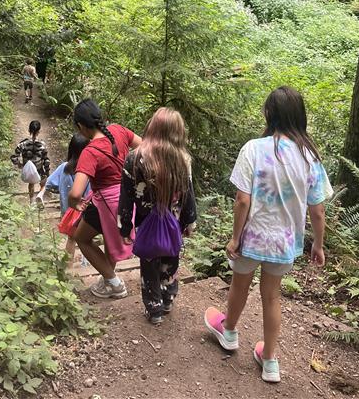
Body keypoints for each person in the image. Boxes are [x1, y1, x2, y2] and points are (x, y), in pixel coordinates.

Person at [204, 86, 332, 384]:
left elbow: (242, 201)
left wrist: (235, 238)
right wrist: (319, 245)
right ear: (300, 117)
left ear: (269, 114)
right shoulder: (310, 158)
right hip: (284, 243)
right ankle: (270, 360)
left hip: (252, 238)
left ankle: (230, 333)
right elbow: (318, 211)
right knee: (272, 296)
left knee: (239, 286)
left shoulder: (253, 148)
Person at [119, 107, 197, 325]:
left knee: (149, 261)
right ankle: (168, 298)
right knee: (171, 258)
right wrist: (189, 222)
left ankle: (154, 309)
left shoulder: (135, 158)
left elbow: (126, 197)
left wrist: (125, 227)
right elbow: (188, 194)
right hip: (173, 222)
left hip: (146, 223)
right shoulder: (182, 159)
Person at [68, 98, 142, 299]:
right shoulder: (118, 130)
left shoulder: (90, 152)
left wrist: (75, 203)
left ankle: (114, 283)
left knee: (81, 238)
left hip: (105, 202)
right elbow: (144, 146)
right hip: (127, 196)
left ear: (81, 126)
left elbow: (75, 192)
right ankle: (108, 279)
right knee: (111, 240)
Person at [39, 133, 90, 258]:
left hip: (68, 212)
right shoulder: (89, 168)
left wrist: (41, 193)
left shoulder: (63, 168)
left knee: (71, 239)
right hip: (86, 211)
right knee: (87, 240)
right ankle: (87, 264)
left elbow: (49, 183)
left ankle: (69, 267)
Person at [11, 120, 50, 206]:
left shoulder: (22, 144)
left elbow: (14, 157)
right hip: (39, 168)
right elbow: (46, 160)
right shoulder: (42, 144)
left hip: (28, 170)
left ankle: (31, 202)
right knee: (44, 184)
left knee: (31, 183)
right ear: (39, 131)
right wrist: (47, 172)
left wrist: (20, 165)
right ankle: (40, 196)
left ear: (29, 130)